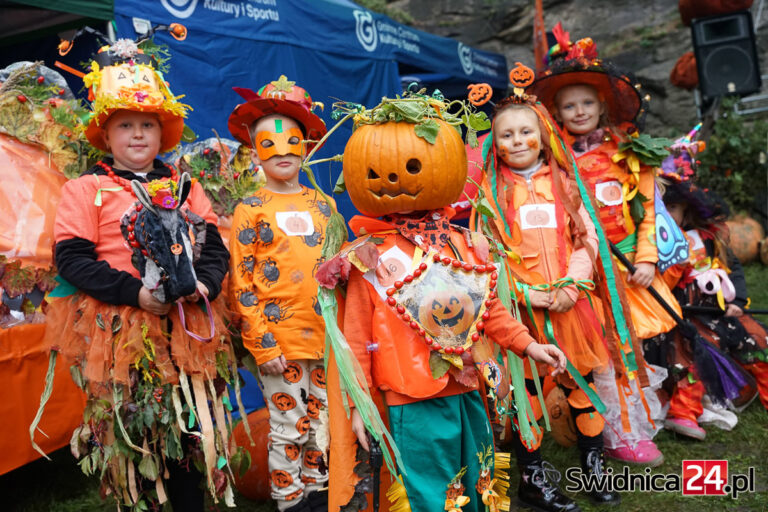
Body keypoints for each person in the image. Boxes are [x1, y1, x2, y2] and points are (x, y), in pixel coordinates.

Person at [319, 90, 568, 512]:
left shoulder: (465, 245)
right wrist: (360, 407)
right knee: (430, 494)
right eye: (379, 172)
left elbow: (489, 311)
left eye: (413, 166)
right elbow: (355, 339)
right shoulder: (369, 256)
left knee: (478, 479)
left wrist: (528, 345)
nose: (395, 179)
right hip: (409, 400)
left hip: (467, 388)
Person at [45, 38, 232, 510]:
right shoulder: (87, 189)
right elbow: (72, 260)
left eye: (147, 125)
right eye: (125, 125)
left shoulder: (187, 188)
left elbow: (213, 247)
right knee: (139, 438)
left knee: (191, 436)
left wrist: (205, 284)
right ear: (106, 136)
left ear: (162, 134)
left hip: (186, 332)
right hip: (123, 334)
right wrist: (135, 294)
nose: (137, 134)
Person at [473, 63, 618, 510]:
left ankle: (592, 465)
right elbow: (485, 253)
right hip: (523, 312)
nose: (517, 142)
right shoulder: (490, 192)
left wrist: (575, 283)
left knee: (582, 381)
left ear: (542, 133)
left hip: (570, 305)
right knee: (527, 393)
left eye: (525, 132)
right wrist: (524, 293)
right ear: (494, 144)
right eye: (506, 135)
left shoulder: (563, 182)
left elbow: (585, 236)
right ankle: (533, 479)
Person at [530, 25, 674, 467]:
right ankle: (609, 430)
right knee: (600, 353)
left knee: (630, 348)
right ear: (556, 111)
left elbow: (648, 209)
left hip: (628, 271)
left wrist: (647, 256)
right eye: (568, 105)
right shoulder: (555, 161)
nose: (578, 111)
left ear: (603, 106)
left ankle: (638, 424)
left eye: (587, 103)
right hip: (586, 274)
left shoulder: (626, 155)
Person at [228, 76, 330, 512]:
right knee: (289, 426)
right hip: (280, 342)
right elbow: (242, 283)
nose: (284, 152)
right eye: (271, 144)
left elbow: (332, 268)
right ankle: (290, 502)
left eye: (293, 142)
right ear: (256, 151)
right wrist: (263, 343)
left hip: (323, 338)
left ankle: (318, 495)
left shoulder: (322, 205)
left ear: (306, 145)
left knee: (321, 425)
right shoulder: (250, 208)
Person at [659, 154, 768, 438]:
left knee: (757, 340)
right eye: (661, 208)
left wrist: (736, 302)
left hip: (720, 311)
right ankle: (683, 413)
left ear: (686, 211)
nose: (667, 215)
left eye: (672, 208)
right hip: (686, 318)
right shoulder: (655, 246)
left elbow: (733, 269)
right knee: (694, 354)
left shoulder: (707, 239)